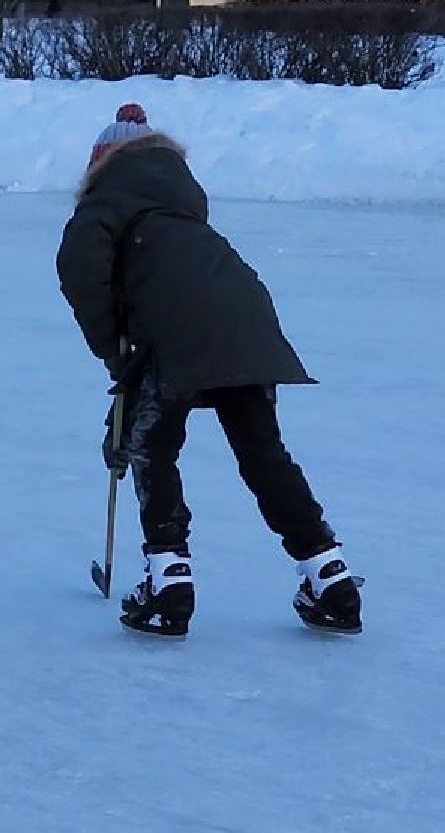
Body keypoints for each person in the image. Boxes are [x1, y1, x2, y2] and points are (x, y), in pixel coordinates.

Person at [55, 103, 362, 637]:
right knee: (263, 451)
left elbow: (79, 270)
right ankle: (329, 574)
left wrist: (115, 352)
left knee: (153, 446)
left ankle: (169, 581)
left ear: (102, 160)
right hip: (247, 318)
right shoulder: (182, 204)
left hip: (176, 329)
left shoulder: (105, 204)